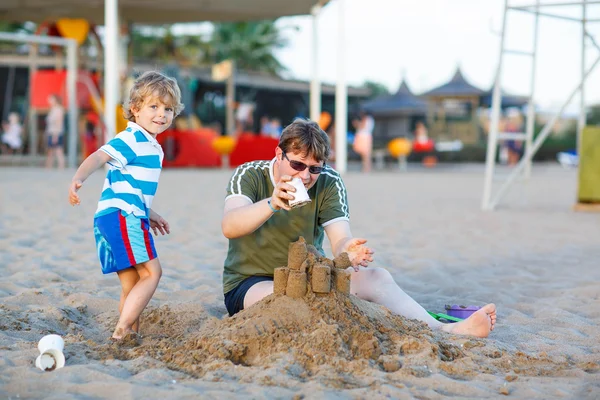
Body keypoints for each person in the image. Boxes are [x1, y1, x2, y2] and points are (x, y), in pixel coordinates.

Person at [221, 118, 496, 338]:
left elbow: (340, 239)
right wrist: (272, 203)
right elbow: (230, 226)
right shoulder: (250, 174)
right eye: (297, 165)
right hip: (249, 283)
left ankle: (446, 329)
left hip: (312, 275)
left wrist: (349, 251)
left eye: (314, 168)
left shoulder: (328, 181)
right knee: (295, 296)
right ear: (278, 154)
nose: (305, 176)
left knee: (377, 278)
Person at [68, 71, 184, 340]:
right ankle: (121, 330)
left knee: (132, 284)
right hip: (123, 216)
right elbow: (99, 157)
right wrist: (78, 178)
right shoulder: (133, 138)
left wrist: (149, 213)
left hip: (118, 215)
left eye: (168, 109)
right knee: (153, 273)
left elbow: (130, 186)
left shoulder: (152, 145)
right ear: (135, 109)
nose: (161, 114)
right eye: (153, 106)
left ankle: (130, 334)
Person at [45, 94, 66, 169]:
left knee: (58, 150)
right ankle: (49, 166)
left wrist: (56, 135)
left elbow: (59, 123)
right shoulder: (53, 109)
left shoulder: (59, 110)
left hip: (56, 132)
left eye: (51, 99)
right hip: (51, 132)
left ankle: (61, 166)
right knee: (51, 150)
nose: (49, 101)